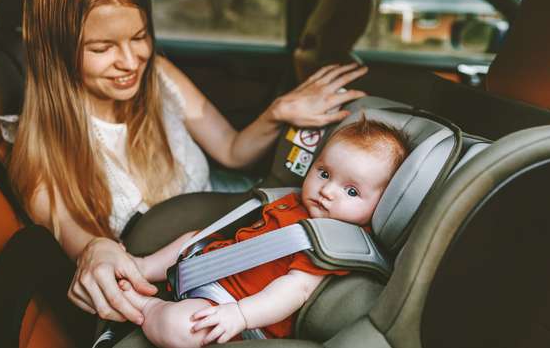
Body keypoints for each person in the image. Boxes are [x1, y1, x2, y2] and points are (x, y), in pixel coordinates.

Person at [8, 0, 369, 327]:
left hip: (236, 225)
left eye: (140, 37)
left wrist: (278, 112)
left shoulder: (159, 74)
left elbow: (233, 151)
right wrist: (96, 250)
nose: (130, 62)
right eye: (102, 48)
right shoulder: (39, 152)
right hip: (193, 281)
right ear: (54, 52)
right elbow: (76, 235)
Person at [114, 118, 408, 347]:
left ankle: (147, 307)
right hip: (209, 270)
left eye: (352, 190)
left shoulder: (334, 242)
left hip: (234, 309)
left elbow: (294, 290)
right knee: (195, 235)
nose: (327, 191)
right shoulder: (293, 201)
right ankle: (143, 266)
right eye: (324, 173)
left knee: (184, 327)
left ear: (382, 204)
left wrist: (241, 314)